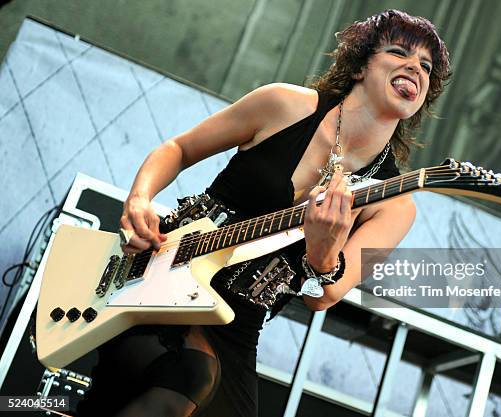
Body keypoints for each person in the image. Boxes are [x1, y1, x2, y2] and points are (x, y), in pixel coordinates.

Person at [77, 9, 451, 417]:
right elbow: (178, 150)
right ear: (361, 65)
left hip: (235, 324)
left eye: (426, 67)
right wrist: (138, 199)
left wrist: (323, 252)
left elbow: (324, 295)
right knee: (187, 375)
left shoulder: (394, 204)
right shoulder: (284, 105)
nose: (414, 67)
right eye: (399, 53)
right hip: (155, 276)